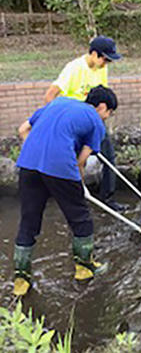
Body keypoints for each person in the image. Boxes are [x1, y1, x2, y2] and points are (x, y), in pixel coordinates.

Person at [13, 85, 118, 296]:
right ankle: (84, 269)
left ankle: (21, 280)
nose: (107, 117)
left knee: (29, 221)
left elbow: (23, 130)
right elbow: (81, 161)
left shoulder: (58, 102)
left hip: (27, 165)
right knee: (80, 217)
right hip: (60, 166)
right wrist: (80, 186)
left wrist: (38, 149)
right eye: (109, 113)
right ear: (102, 107)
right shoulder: (96, 122)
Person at [44, 35, 127, 212]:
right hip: (74, 124)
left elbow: (102, 93)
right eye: (105, 59)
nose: (107, 64)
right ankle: (75, 199)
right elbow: (50, 95)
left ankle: (108, 198)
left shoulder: (101, 68)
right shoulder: (74, 69)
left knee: (109, 158)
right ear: (95, 54)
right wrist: (56, 120)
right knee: (75, 161)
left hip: (94, 122)